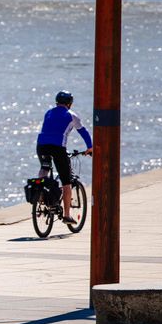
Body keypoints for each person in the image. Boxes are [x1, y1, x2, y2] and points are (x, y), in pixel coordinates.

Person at [36, 90, 94, 225]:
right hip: (57, 148)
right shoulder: (72, 115)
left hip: (41, 146)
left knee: (45, 167)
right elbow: (83, 132)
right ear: (70, 103)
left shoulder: (48, 112)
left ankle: (40, 194)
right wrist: (90, 147)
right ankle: (67, 215)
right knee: (66, 181)